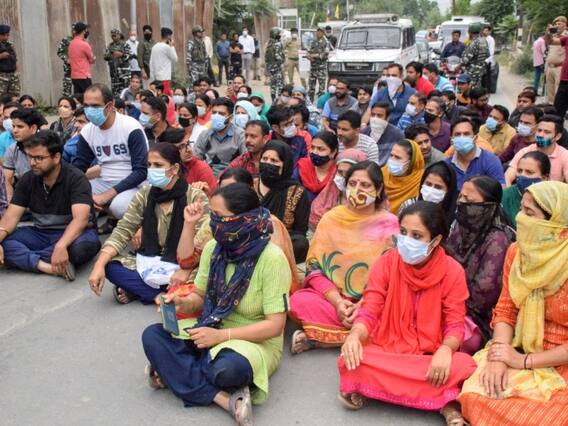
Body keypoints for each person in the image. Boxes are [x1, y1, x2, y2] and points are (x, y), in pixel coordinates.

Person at [140, 183, 291, 423]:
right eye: (213, 216)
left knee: (226, 371)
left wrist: (222, 336)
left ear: (243, 219)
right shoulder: (214, 248)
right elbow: (200, 297)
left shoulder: (272, 258)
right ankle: (224, 399)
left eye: (219, 217)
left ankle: (174, 372)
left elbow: (274, 326)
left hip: (253, 340)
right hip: (211, 325)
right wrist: (182, 304)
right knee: (153, 335)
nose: (214, 223)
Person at [338, 201, 477, 425]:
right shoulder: (386, 263)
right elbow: (370, 309)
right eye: (403, 232)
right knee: (352, 358)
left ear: (435, 241)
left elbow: (455, 323)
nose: (406, 240)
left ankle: (373, 389)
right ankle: (443, 400)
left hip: (430, 354)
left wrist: (445, 350)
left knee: (465, 366)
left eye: (416, 235)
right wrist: (355, 335)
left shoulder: (453, 271)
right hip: (387, 347)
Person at [460, 181, 568, 426]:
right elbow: (506, 309)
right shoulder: (517, 252)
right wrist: (499, 356)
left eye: (530, 213)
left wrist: (523, 362)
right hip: (520, 346)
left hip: (560, 359)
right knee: (475, 395)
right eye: (521, 209)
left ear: (555, 222)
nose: (520, 218)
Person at [291, 160, 398, 353]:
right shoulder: (331, 218)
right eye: (352, 183)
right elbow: (314, 268)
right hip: (333, 300)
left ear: (379, 190)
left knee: (397, 312)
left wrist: (364, 304)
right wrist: (339, 303)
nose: (357, 190)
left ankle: (326, 339)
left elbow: (394, 276)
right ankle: (358, 335)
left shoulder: (390, 224)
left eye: (365, 185)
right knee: (298, 301)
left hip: (373, 302)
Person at [88, 142, 209, 304]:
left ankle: (140, 290)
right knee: (109, 266)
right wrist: (99, 265)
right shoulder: (145, 194)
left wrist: (185, 269)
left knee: (204, 276)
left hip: (185, 264)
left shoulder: (195, 196)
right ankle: (159, 295)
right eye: (149, 165)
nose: (151, 170)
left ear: (174, 169)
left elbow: (203, 242)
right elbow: (124, 229)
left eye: (158, 165)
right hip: (151, 260)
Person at [0, 130, 100, 280]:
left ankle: (30, 257)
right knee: (5, 242)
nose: (32, 163)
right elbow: (10, 218)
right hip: (41, 233)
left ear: (56, 157)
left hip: (75, 234)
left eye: (39, 158)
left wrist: (61, 245)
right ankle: (49, 267)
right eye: (30, 157)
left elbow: (81, 220)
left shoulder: (76, 178)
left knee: (84, 248)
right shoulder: (28, 179)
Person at [446, 176, 514, 350]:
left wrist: (448, 303)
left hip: (477, 316)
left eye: (469, 201)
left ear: (487, 207)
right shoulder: (459, 227)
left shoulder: (498, 239)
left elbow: (482, 297)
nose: (461, 203)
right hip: (448, 303)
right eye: (460, 197)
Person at [73, 83, 148, 221]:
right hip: (104, 181)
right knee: (70, 196)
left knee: (118, 207)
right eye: (86, 106)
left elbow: (141, 171)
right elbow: (79, 165)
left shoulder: (130, 127)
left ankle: (109, 212)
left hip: (133, 184)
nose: (89, 110)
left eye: (95, 106)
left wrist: (106, 196)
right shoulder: (88, 131)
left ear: (110, 105)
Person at [256, 140, 309, 262]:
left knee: (300, 242)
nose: (268, 163)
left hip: (281, 244)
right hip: (252, 238)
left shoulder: (297, 192)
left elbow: (300, 231)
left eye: (274, 161)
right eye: (264, 159)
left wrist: (277, 238)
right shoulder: (250, 185)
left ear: (285, 165)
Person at [309, 148, 367, 230]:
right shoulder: (326, 198)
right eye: (340, 172)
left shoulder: (368, 201)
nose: (343, 177)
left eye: (348, 173)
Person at [505, 115, 568, 185]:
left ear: (557, 136)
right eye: (539, 130)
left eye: (547, 132)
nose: (541, 135)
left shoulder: (564, 155)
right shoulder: (526, 151)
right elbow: (507, 177)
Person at [447, 117, 505, 190]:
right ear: (451, 140)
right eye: (457, 134)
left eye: (466, 134)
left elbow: (501, 190)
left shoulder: (490, 161)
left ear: (475, 138)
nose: (462, 137)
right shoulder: (447, 166)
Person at [193, 97, 245, 176]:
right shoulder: (205, 134)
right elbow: (196, 158)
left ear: (230, 117)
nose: (216, 116)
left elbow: (245, 159)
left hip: (233, 175)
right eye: (214, 113)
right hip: (208, 174)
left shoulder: (240, 135)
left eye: (221, 114)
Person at [159, 128, 217, 195]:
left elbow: (212, 198)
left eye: (188, 143)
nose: (189, 150)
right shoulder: (160, 169)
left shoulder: (201, 169)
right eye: (181, 147)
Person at [3, 108, 45, 199]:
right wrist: (11, 202)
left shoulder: (46, 147)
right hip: (23, 196)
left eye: (20, 127)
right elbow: (7, 181)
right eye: (13, 126)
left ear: (33, 128)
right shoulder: (12, 150)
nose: (15, 130)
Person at [502, 151, 550, 229]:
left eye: (529, 172)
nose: (522, 175)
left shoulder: (552, 199)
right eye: (519, 171)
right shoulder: (504, 196)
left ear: (544, 178)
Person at [382, 139, 424, 214]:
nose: (392, 160)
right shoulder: (382, 173)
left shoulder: (421, 182)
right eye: (391, 155)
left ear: (411, 162)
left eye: (397, 157)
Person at [294, 131, 338, 201]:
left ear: (333, 152)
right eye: (312, 147)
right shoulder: (303, 166)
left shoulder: (338, 172)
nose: (314, 152)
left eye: (321, 149)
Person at [360, 102, 404, 167]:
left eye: (379, 116)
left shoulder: (397, 134)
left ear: (387, 118)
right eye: (373, 115)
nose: (375, 118)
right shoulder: (363, 133)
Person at [545, 17, 568, 119]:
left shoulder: (566, 35)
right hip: (559, 73)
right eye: (556, 24)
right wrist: (548, 33)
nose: (557, 26)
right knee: (557, 102)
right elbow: (550, 41)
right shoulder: (563, 38)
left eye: (560, 23)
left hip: (560, 69)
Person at [68, 22, 95, 95]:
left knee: (78, 99)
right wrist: (94, 58)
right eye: (86, 30)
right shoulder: (84, 44)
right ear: (83, 31)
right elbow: (92, 60)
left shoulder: (71, 43)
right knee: (89, 97)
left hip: (74, 77)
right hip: (84, 76)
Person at [149, 27, 177, 96]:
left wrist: (152, 75)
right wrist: (172, 46)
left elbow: (151, 62)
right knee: (165, 96)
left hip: (156, 77)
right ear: (169, 37)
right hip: (165, 77)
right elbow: (175, 59)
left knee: (158, 95)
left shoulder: (154, 47)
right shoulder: (167, 47)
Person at [104, 29, 132, 97]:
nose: (114, 37)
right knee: (115, 91)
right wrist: (110, 55)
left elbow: (129, 56)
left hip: (124, 72)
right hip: (114, 73)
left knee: (125, 90)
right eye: (112, 36)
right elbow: (105, 57)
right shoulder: (110, 46)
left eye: (115, 36)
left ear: (119, 35)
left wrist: (121, 54)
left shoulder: (125, 45)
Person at [462, 23, 490, 89]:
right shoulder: (484, 41)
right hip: (481, 70)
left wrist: (459, 64)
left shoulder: (474, 42)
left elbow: (466, 60)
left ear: (471, 33)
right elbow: (488, 54)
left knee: (469, 89)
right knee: (478, 89)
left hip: (472, 71)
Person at [308, 28, 329, 101]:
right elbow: (309, 51)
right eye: (317, 32)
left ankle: (321, 103)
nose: (318, 33)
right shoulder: (313, 42)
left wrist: (314, 55)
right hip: (313, 68)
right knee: (311, 88)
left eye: (320, 32)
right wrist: (309, 56)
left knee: (321, 89)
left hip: (321, 69)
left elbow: (325, 54)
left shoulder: (326, 42)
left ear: (323, 33)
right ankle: (310, 102)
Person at [265, 28, 285, 103]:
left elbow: (266, 58)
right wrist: (282, 64)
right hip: (278, 68)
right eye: (279, 34)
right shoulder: (278, 44)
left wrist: (268, 68)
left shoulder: (269, 44)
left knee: (272, 86)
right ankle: (279, 102)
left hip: (271, 68)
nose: (280, 35)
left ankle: (273, 101)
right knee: (280, 85)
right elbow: (278, 57)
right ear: (275, 34)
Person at [0, 25, 20, 97]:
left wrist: (17, 73)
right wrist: (1, 56)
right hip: (1, 76)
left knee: (14, 97)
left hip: (13, 76)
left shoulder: (10, 45)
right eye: (3, 35)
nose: (6, 37)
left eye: (7, 35)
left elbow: (15, 59)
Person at [56, 30, 73, 97]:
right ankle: (66, 100)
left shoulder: (82, 40)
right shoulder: (66, 40)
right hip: (69, 68)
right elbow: (60, 52)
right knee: (67, 89)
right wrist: (66, 59)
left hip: (80, 70)